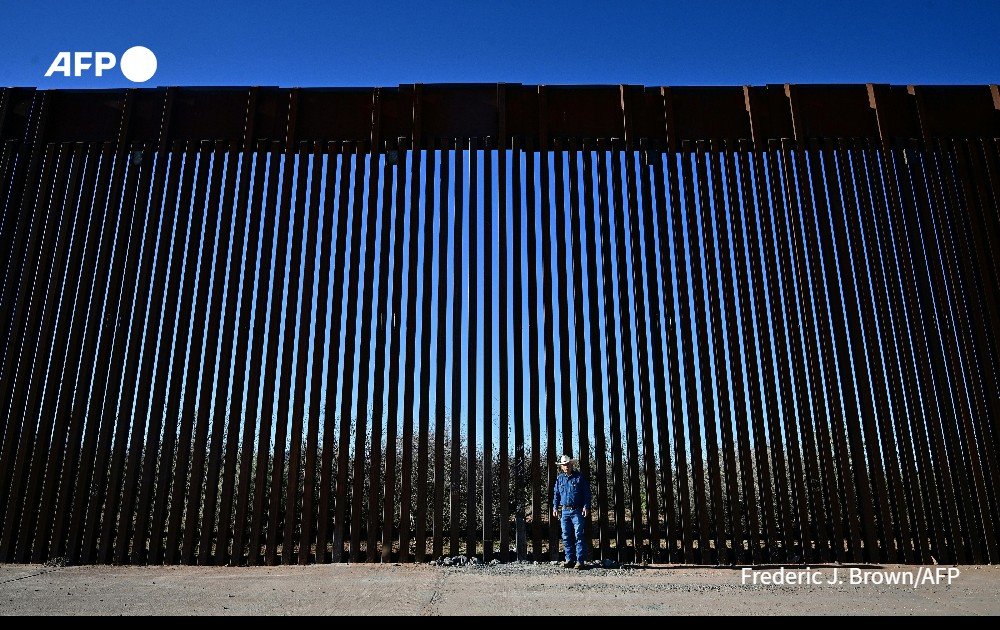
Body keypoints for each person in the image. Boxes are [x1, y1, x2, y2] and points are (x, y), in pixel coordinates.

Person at [552, 454, 592, 569]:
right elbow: (556, 494)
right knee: (566, 535)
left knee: (578, 535)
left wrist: (586, 506)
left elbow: (586, 493)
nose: (566, 466)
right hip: (564, 511)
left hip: (577, 510)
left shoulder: (579, 477)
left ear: (572, 465)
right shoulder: (560, 479)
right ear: (561, 467)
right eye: (564, 465)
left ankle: (580, 561)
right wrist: (555, 507)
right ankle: (569, 559)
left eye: (568, 464)